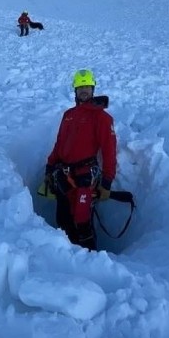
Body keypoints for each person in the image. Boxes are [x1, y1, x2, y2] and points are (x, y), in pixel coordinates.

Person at [44, 69, 117, 250]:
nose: (83, 90)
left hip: (85, 178)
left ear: (93, 89)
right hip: (63, 176)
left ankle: (91, 260)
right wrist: (50, 165)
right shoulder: (68, 115)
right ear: (75, 90)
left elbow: (109, 151)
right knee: (63, 220)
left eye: (87, 87)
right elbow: (59, 144)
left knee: (82, 222)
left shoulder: (102, 118)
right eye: (80, 87)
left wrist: (107, 181)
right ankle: (65, 256)